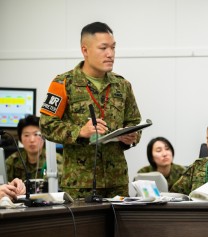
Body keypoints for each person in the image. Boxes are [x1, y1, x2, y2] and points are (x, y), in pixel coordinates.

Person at [39, 22, 141, 199]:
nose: (110, 54)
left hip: (117, 181)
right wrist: (80, 131)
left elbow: (133, 122)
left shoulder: (122, 85)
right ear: (85, 50)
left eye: (113, 48)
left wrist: (131, 137)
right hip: (79, 182)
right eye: (103, 48)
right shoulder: (63, 83)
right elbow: (46, 125)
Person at [5, 115, 63, 187]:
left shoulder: (54, 159)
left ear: (44, 137)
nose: (32, 140)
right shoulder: (13, 160)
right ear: (20, 139)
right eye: (26, 135)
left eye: (36, 134)